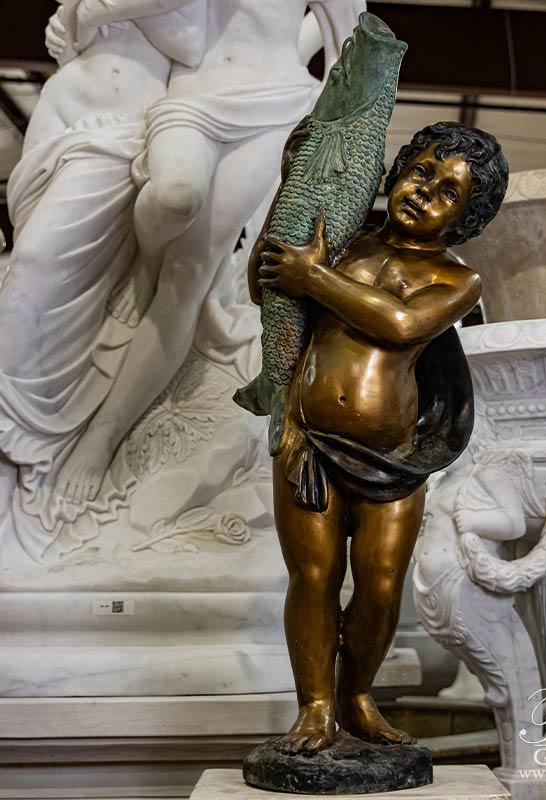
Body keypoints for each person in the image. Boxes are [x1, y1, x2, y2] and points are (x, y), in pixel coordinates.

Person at [252, 122, 508, 753]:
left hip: (394, 456)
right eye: (421, 172)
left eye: (448, 193)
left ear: (463, 220)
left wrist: (316, 280)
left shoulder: (457, 279)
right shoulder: (343, 243)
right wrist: (294, 188)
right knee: (313, 576)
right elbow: (266, 284)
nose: (425, 192)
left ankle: (356, 696)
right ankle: (314, 707)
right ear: (397, 170)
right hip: (308, 440)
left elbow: (399, 324)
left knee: (381, 583)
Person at [55, 0, 365, 505]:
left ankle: (103, 435)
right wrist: (79, 16)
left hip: (276, 103)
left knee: (190, 270)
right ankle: (142, 273)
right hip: (193, 97)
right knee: (174, 196)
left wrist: (325, 142)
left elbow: (350, 52)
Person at [0, 0, 206, 561]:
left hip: (126, 132)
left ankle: (35, 433)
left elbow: (189, 42)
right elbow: (63, 37)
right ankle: (14, 443)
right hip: (64, 115)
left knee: (38, 266)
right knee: (26, 268)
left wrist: (93, 12)